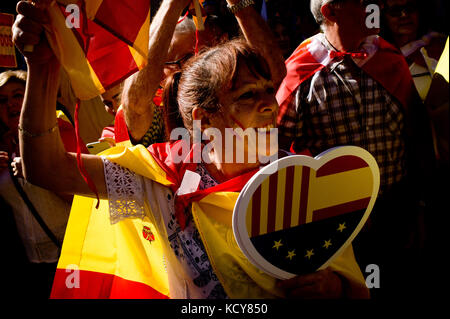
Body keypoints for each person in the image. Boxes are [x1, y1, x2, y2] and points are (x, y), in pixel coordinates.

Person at [14, 0, 369, 299]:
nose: (268, 104)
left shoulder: (301, 178)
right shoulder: (163, 178)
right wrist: (43, 69)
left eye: (266, 91)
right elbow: (46, 168)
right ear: (203, 119)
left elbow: (355, 285)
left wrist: (332, 285)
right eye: (247, 96)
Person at [276, 0, 436, 298]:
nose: (372, 5)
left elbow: (418, 138)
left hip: (396, 214)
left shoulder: (391, 60)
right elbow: (278, 156)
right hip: (334, 226)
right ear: (330, 11)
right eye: (361, 1)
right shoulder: (300, 71)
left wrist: (423, 205)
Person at [381, 0, 447, 101]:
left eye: (410, 8)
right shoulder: (379, 58)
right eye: (395, 11)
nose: (404, 15)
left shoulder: (441, 45)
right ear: (384, 17)